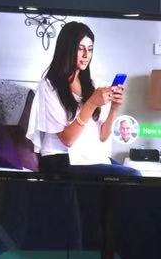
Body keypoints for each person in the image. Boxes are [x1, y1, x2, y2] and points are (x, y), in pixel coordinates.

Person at [30, 20, 132, 175]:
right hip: (60, 158)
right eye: (80, 49)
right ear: (67, 50)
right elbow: (67, 140)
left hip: (90, 157)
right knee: (131, 176)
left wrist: (114, 108)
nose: (86, 55)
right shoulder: (49, 86)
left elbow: (102, 136)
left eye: (90, 49)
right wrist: (91, 104)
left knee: (134, 177)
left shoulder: (92, 85)